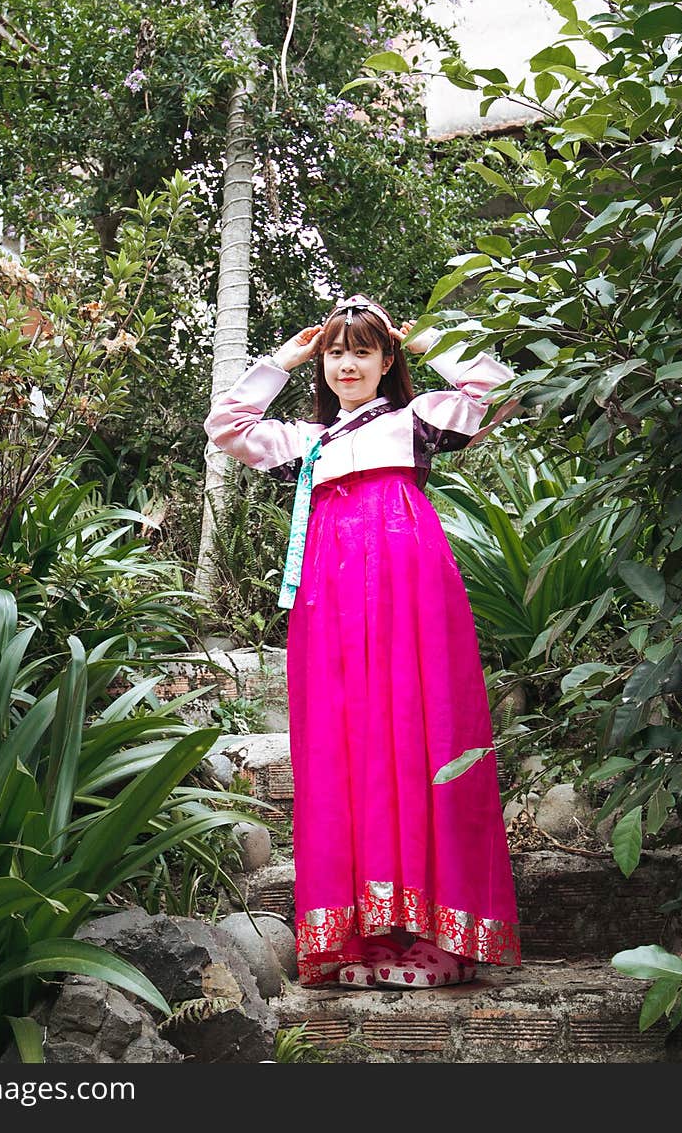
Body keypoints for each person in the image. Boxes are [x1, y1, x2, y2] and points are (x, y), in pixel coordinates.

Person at [203, 295, 522, 989]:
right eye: (335, 351)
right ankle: (368, 932)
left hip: (413, 599)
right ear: (323, 362)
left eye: (363, 350)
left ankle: (443, 935)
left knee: (420, 730)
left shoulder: (416, 422)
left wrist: (432, 336)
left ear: (386, 361)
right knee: (350, 743)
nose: (347, 363)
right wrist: (279, 361)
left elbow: (497, 391)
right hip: (332, 605)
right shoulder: (306, 441)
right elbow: (226, 425)